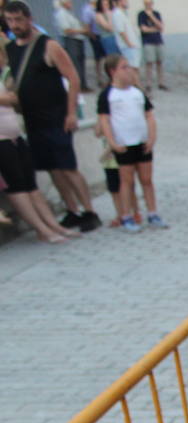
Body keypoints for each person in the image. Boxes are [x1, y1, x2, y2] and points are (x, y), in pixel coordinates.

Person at [3, 1, 100, 231]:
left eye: (18, 20)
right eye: (10, 20)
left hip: (56, 116)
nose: (14, 25)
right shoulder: (11, 49)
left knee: (67, 166)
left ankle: (89, 211)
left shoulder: (49, 45)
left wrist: (70, 113)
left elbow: (73, 78)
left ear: (28, 19)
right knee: (51, 168)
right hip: (32, 118)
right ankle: (72, 210)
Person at [1, 76, 81, 242]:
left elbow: (14, 99)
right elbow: (9, 98)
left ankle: (53, 225)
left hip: (15, 136)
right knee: (17, 187)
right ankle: (42, 229)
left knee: (31, 185)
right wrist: (8, 97)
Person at [97, 54, 166, 230]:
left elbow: (149, 115)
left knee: (146, 179)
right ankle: (127, 215)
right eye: (124, 67)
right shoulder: (108, 95)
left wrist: (152, 137)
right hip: (124, 143)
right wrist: (112, 142)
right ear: (113, 72)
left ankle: (153, 213)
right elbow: (104, 120)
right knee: (126, 181)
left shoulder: (137, 92)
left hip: (142, 141)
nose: (129, 71)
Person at [53, 0, 88, 91]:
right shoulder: (61, 14)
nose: (71, 3)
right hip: (71, 40)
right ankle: (79, 86)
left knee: (80, 63)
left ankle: (83, 85)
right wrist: (82, 31)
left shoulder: (69, 13)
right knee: (76, 63)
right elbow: (67, 30)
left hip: (78, 39)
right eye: (69, 2)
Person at [136, 0, 166, 90]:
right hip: (147, 41)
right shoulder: (141, 14)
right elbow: (144, 29)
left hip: (158, 41)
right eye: (146, 3)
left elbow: (161, 27)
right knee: (149, 63)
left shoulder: (156, 14)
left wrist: (151, 16)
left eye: (150, 3)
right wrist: (155, 29)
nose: (148, 5)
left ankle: (161, 83)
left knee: (160, 62)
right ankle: (148, 83)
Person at [111, 0, 140, 75]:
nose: (127, 2)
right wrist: (129, 43)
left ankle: (136, 85)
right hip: (127, 46)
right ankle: (134, 85)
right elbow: (121, 31)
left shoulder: (123, 13)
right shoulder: (117, 14)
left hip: (132, 44)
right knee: (132, 68)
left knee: (135, 67)